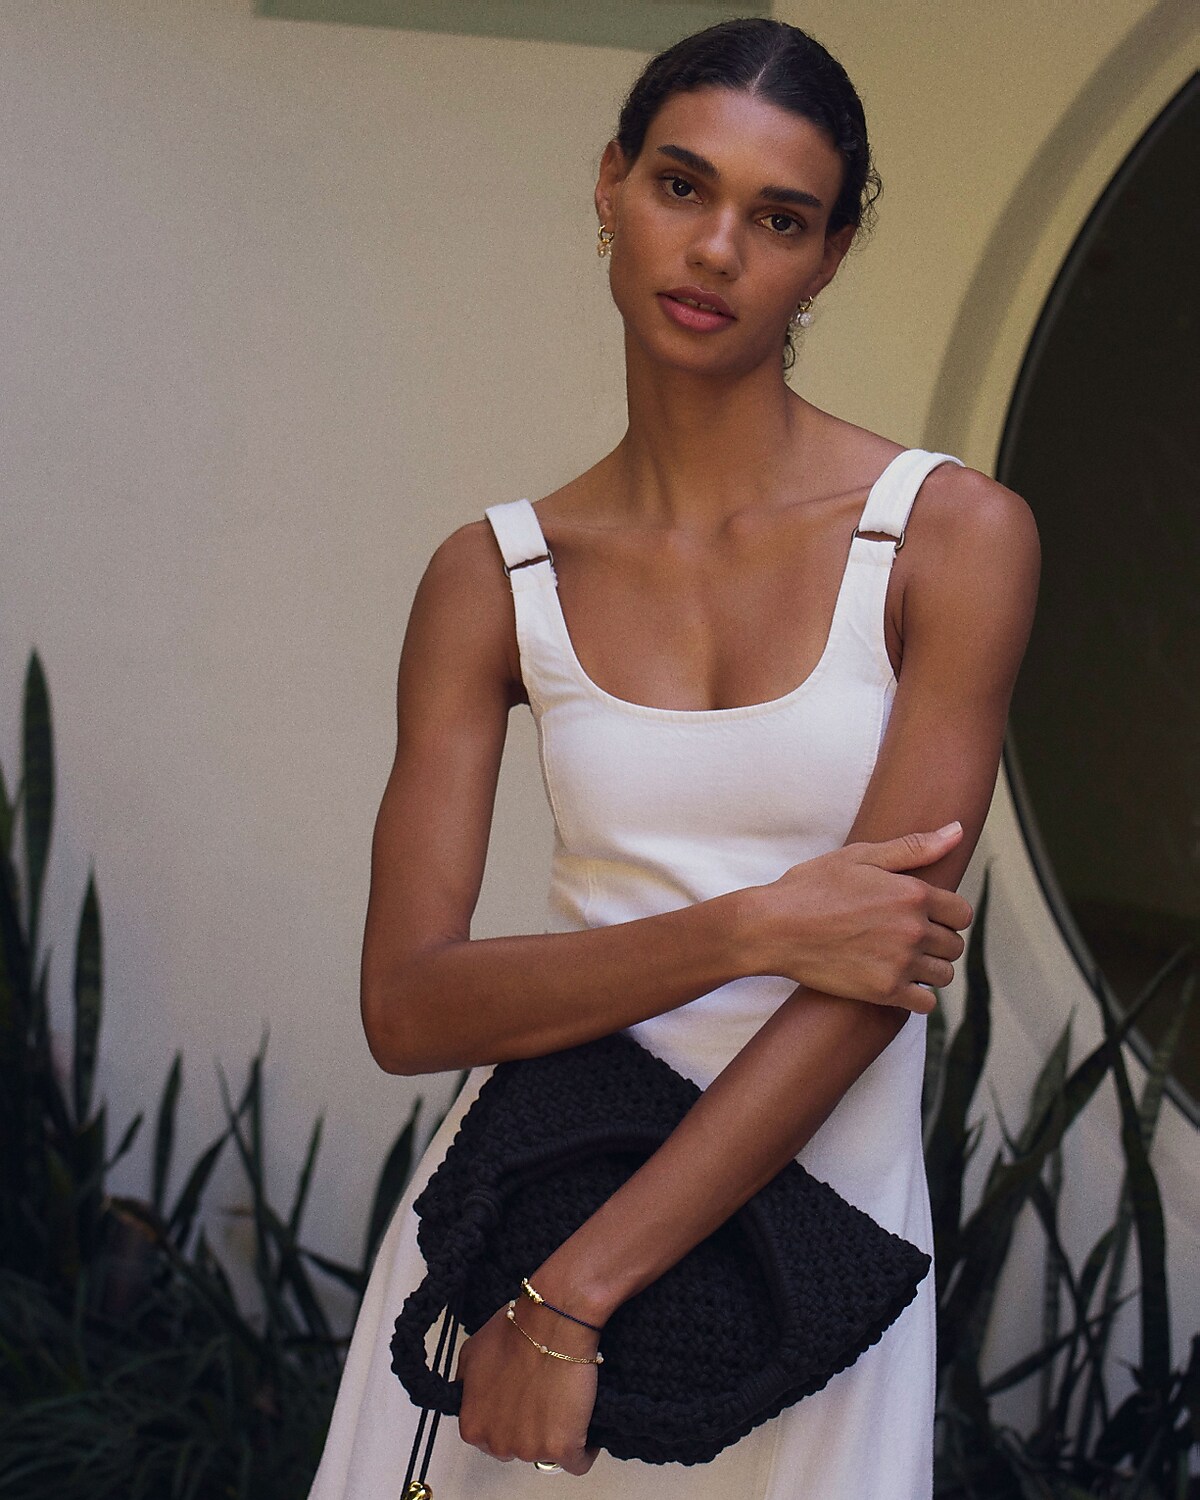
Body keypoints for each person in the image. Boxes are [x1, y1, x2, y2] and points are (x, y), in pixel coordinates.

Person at [309, 17, 1039, 1500]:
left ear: (830, 257)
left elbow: (874, 982)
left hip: (792, 1250)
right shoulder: (491, 577)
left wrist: (576, 1299)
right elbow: (408, 1003)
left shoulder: (952, 539)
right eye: (681, 187)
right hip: (525, 1195)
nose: (715, 250)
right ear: (609, 188)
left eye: (778, 218)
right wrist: (757, 925)